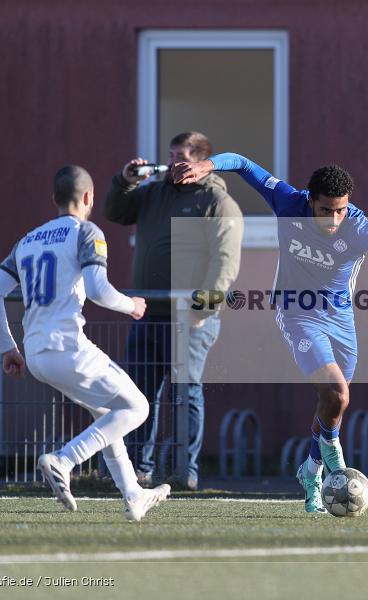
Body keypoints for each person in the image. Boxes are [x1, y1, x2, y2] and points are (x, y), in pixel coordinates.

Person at [179, 153, 368, 514]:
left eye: (341, 210)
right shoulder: (288, 201)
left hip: (341, 321)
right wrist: (207, 165)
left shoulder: (357, 226)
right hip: (297, 314)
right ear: (309, 199)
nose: (335, 219)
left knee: (331, 404)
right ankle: (334, 462)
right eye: (326, 210)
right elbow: (242, 164)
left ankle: (310, 470)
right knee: (337, 392)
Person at [0, 165, 170, 521]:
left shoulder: (26, 241)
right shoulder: (87, 231)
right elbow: (99, 290)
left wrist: (8, 347)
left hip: (36, 354)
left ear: (54, 199)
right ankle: (63, 460)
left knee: (108, 413)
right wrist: (132, 306)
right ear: (89, 198)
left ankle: (133, 494)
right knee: (138, 409)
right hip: (68, 347)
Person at [104, 131, 243, 490]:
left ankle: (185, 473)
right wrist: (125, 181)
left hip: (190, 318)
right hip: (148, 313)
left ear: (198, 162)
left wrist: (202, 308)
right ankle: (137, 469)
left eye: (178, 156)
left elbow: (225, 262)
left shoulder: (216, 201)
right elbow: (114, 212)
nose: (170, 162)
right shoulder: (153, 193)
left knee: (185, 391)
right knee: (137, 392)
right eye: (169, 155)